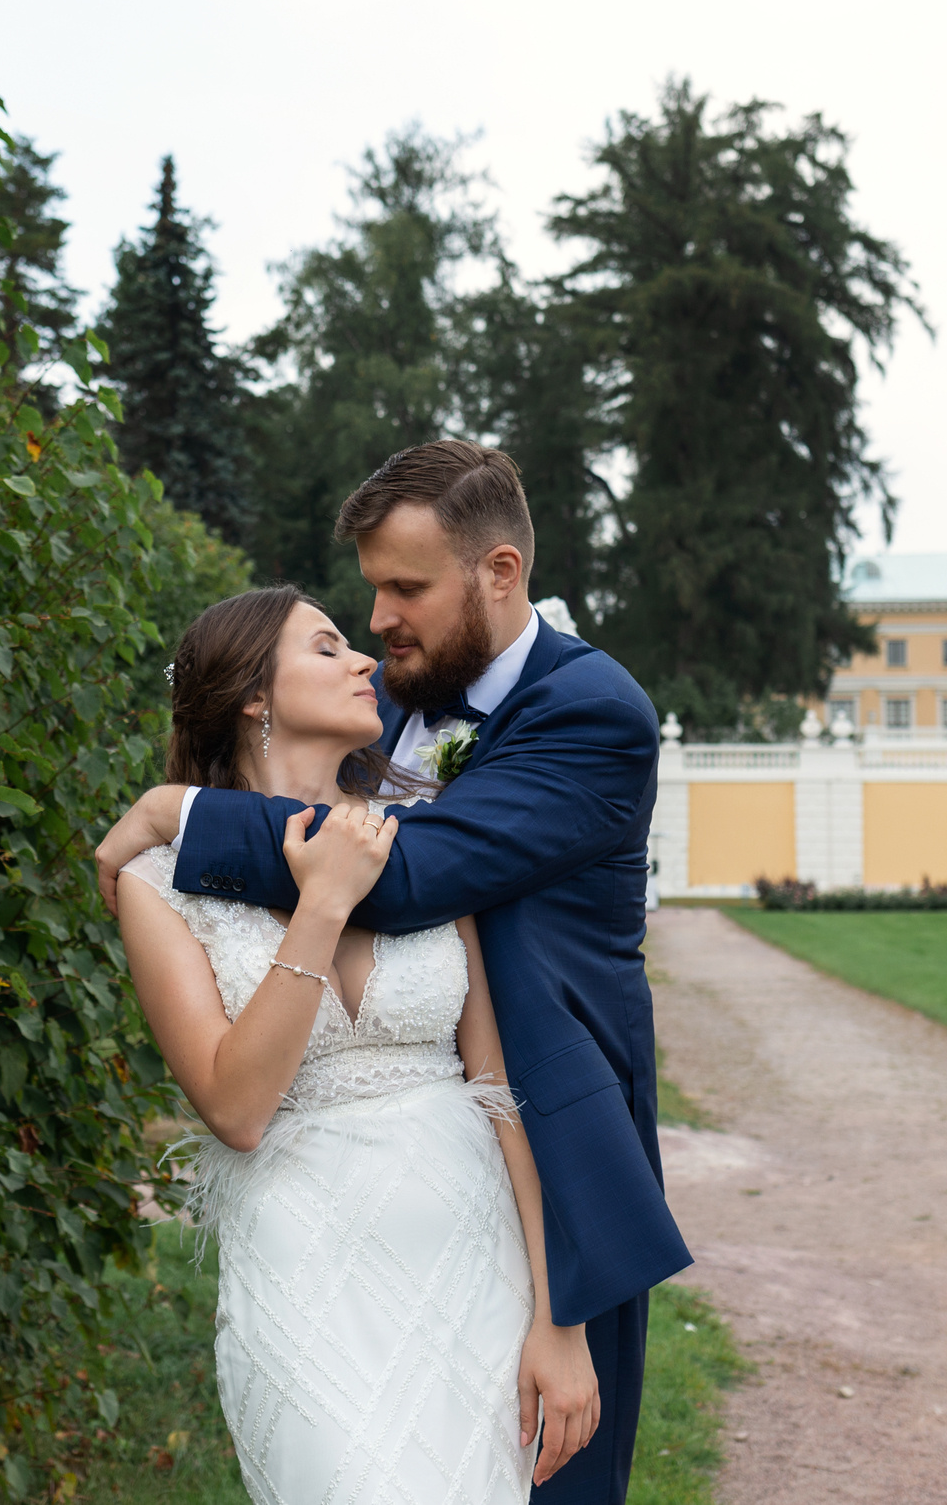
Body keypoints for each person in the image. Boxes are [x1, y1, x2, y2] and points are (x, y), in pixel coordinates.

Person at [98, 440, 689, 1504]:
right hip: (312, 1236)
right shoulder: (407, 703)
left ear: (497, 573)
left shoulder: (589, 711)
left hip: (541, 1166)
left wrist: (171, 811)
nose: (375, 629)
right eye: (364, 597)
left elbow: (407, 871)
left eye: (402, 588)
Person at [117, 585, 596, 1503]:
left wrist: (557, 1319)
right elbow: (236, 1109)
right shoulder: (156, 885)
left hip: (470, 1254)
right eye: (329, 646)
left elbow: (499, 1093)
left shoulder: (431, 845)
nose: (365, 659)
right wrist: (324, 901)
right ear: (255, 693)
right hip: (305, 1264)